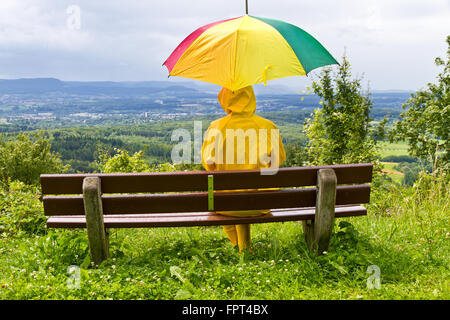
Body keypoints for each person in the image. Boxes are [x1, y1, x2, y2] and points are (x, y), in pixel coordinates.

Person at [201, 85, 286, 253]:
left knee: (227, 195)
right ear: (250, 97)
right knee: (247, 193)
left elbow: (208, 163)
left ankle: (239, 246)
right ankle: (244, 249)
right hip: (261, 202)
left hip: (225, 204)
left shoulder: (216, 127)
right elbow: (278, 161)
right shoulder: (268, 126)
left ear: (225, 99)